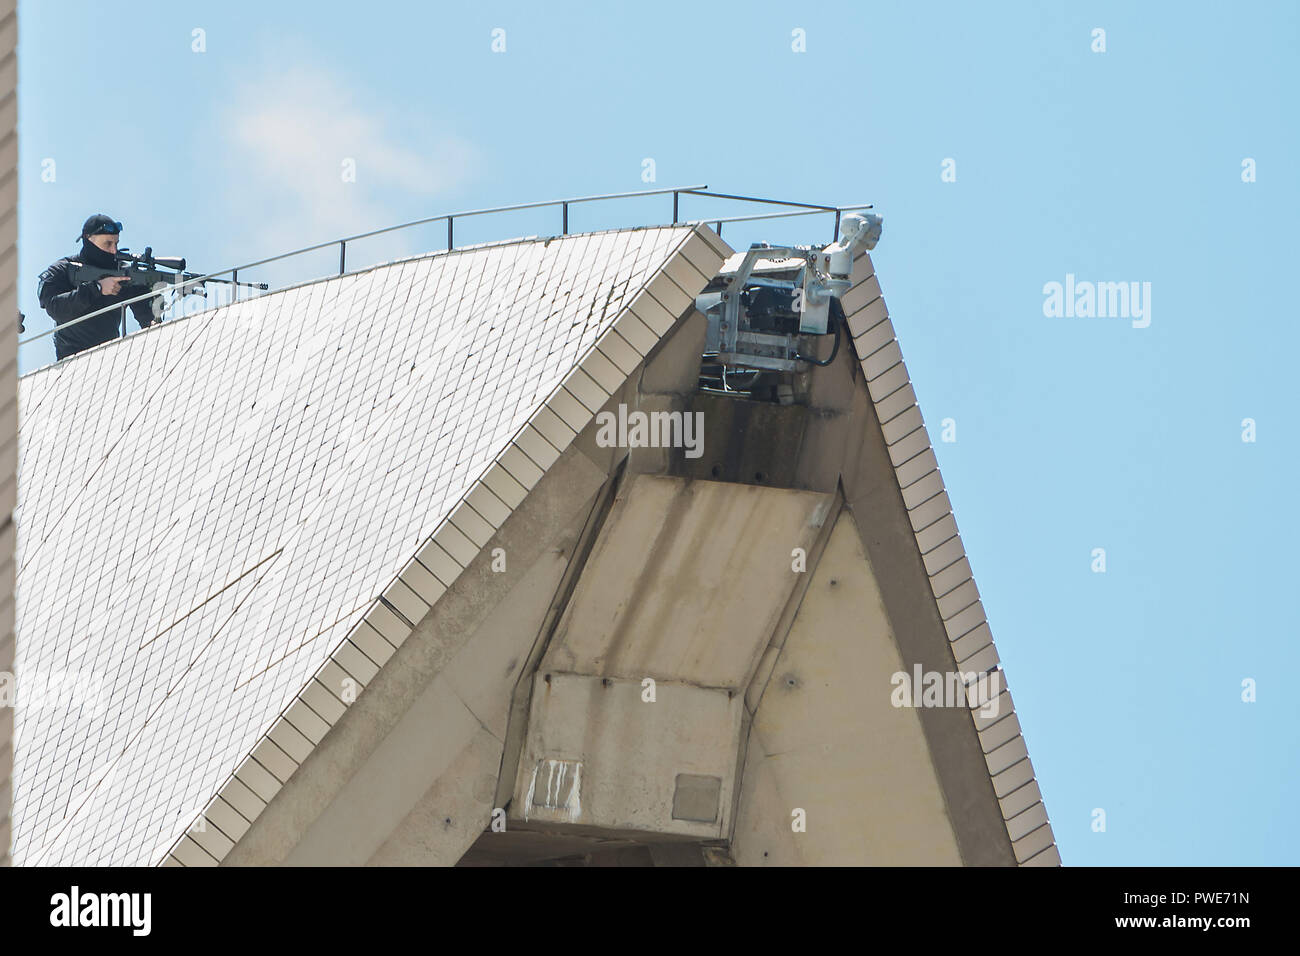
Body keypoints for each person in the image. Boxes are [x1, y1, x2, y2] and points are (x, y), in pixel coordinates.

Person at [37, 214, 158, 360]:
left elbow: (148, 319)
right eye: (108, 244)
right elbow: (54, 308)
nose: (114, 251)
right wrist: (97, 288)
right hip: (71, 361)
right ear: (89, 240)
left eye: (116, 244)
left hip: (109, 357)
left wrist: (152, 303)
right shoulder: (62, 269)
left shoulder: (123, 273)